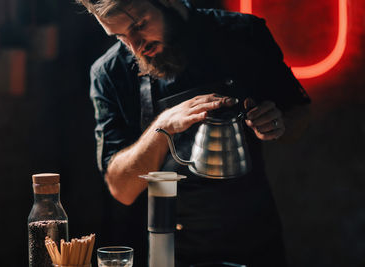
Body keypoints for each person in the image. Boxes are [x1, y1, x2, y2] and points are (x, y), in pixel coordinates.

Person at [76, 0, 311, 266]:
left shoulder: (243, 34)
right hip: (169, 249)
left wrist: (278, 122)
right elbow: (122, 190)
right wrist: (162, 126)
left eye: (139, 25)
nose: (135, 45)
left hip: (254, 240)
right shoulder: (110, 72)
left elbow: (298, 113)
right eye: (120, 36)